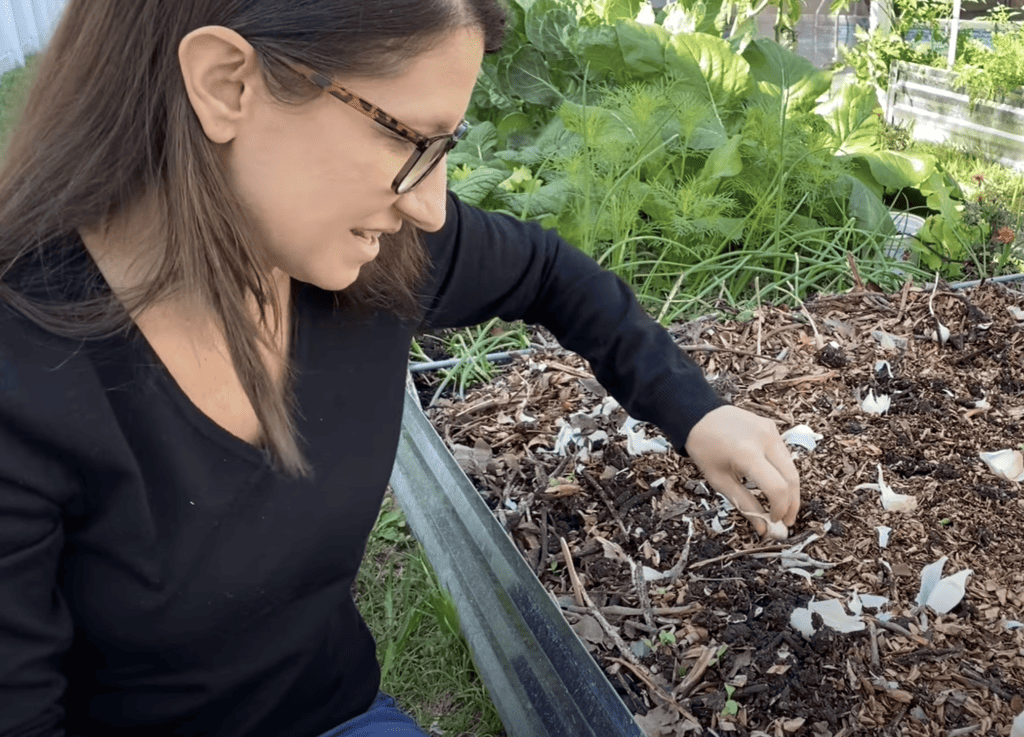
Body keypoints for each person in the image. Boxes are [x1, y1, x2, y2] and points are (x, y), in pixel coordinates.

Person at [0, 1, 800, 735]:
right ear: (226, 84)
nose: (430, 206)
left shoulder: (374, 269)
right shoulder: (25, 375)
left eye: (445, 148)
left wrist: (695, 410)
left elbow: (550, 272)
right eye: (408, 139)